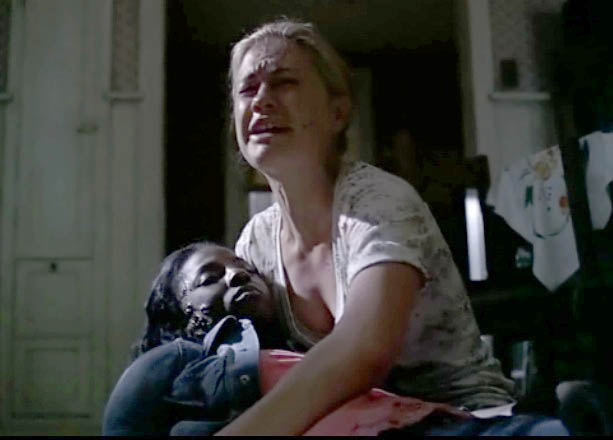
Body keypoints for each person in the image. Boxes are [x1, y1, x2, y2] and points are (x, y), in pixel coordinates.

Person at [216, 19, 569, 435]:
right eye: (247, 89)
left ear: (337, 112)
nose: (261, 100)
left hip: (458, 419)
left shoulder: (378, 201)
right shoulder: (255, 242)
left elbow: (362, 349)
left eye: (284, 82)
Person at [102, 242, 471, 436]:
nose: (236, 275)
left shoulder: (317, 353)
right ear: (176, 312)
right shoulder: (174, 361)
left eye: (245, 269)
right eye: (209, 278)